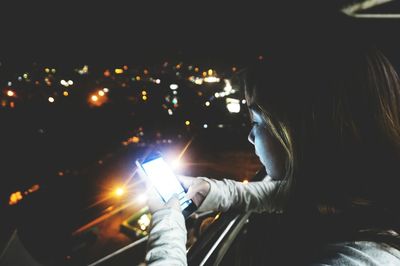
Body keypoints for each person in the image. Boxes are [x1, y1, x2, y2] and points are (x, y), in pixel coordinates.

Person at [143, 14, 400, 266]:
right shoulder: (357, 197)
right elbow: (280, 194)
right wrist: (210, 191)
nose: (250, 136)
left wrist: (167, 224)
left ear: (303, 133)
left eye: (257, 122)